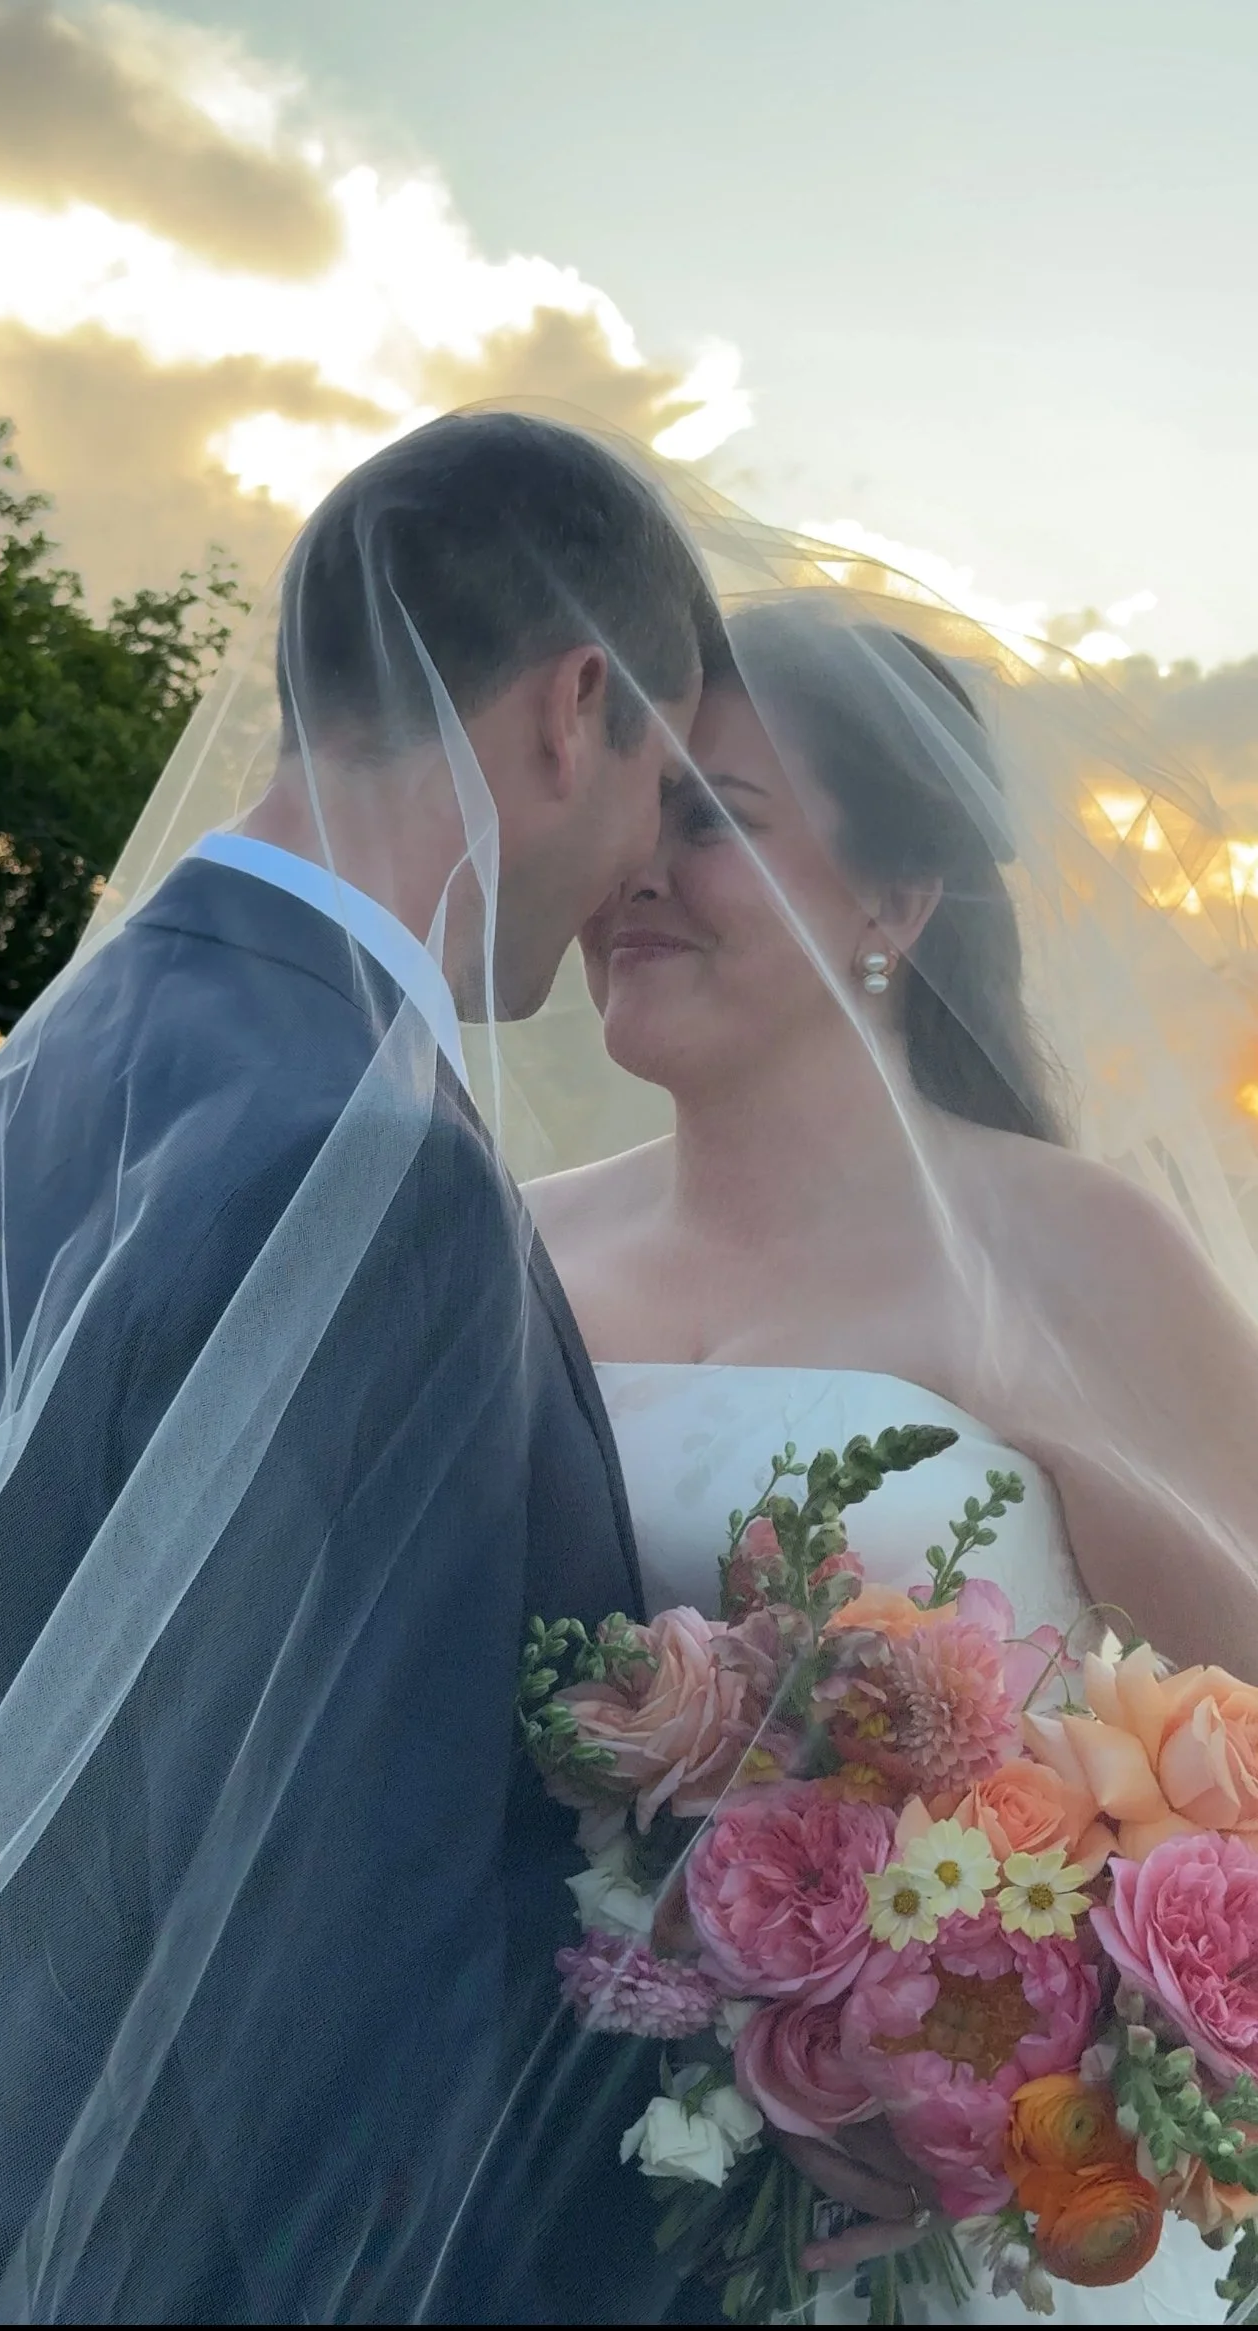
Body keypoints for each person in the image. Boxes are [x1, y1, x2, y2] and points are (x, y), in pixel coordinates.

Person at [0, 410, 717, 2323]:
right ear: (572, 708)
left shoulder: (47, 1073)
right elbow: (335, 1941)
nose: (644, 865)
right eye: (666, 782)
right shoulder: (380, 1169)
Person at [528, 594, 1258, 2323]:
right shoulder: (508, 1256)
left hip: (977, 2220)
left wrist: (992, 2048)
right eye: (630, 811)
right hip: (547, 2187)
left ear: (898, 899)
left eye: (714, 819)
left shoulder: (1070, 1252)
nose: (639, 869)